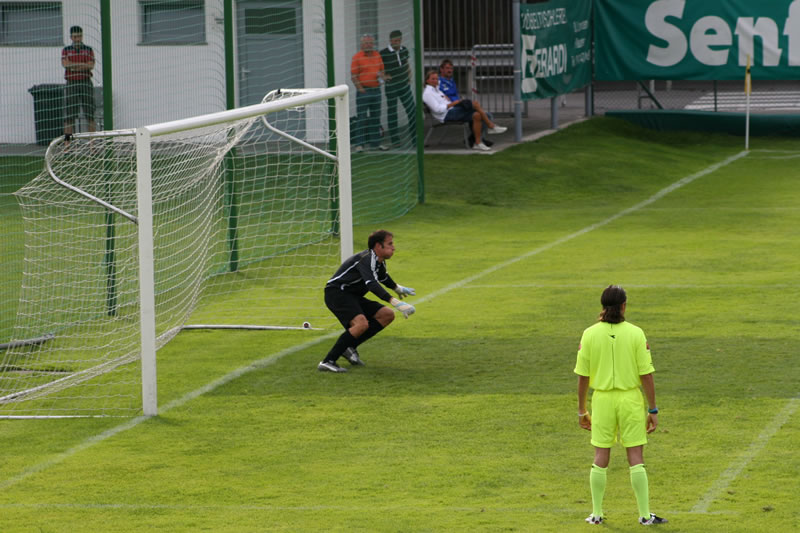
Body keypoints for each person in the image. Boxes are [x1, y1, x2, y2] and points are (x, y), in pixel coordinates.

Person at [574, 285, 668, 526]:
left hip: (603, 400)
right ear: (624, 306)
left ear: (603, 307)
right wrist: (653, 409)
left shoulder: (589, 334)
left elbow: (583, 376)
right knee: (635, 455)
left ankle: (596, 514)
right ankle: (645, 516)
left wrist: (582, 409)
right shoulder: (636, 333)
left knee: (600, 455)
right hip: (629, 400)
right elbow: (646, 374)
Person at [319, 230, 416, 373]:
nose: (393, 247)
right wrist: (395, 302)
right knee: (361, 324)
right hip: (337, 293)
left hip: (352, 296)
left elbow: (383, 278)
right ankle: (328, 361)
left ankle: (349, 347)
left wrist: (397, 288)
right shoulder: (366, 258)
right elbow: (372, 284)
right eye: (389, 244)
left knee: (386, 315)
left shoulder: (379, 262)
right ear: (378, 246)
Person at [422, 70, 504, 152]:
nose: (435, 81)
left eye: (436, 79)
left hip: (452, 110)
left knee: (477, 115)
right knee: (474, 104)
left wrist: (452, 102)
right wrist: (454, 103)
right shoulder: (427, 93)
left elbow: (444, 96)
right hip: (446, 115)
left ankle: (478, 143)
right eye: (433, 79)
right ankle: (491, 126)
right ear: (427, 80)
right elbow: (437, 109)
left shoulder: (437, 90)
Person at [438, 58, 500, 148]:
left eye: (451, 68)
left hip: (458, 106)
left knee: (485, 114)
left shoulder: (451, 81)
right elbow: (438, 95)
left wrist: (460, 100)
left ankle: (475, 139)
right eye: (447, 68)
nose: (450, 70)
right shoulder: (438, 82)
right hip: (451, 109)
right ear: (441, 69)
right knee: (481, 112)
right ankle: (485, 132)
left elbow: (455, 95)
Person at [350, 34, 387, 152]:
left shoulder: (377, 55)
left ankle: (375, 143)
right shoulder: (357, 57)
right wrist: (361, 89)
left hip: (376, 90)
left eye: (370, 43)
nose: (368, 45)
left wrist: (382, 78)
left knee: (375, 117)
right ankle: (359, 144)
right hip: (364, 92)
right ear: (361, 45)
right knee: (361, 118)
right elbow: (354, 76)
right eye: (366, 43)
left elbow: (382, 70)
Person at [379, 30, 416, 148]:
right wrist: (384, 77)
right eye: (394, 41)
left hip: (404, 84)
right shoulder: (384, 53)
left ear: (401, 40)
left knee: (411, 110)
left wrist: (409, 76)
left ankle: (415, 138)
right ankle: (395, 139)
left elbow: (407, 64)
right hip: (392, 86)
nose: (396, 43)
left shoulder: (404, 50)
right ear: (390, 41)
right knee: (392, 111)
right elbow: (379, 69)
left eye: (398, 40)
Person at [62, 25, 96, 136]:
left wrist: (74, 66)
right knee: (69, 116)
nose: (78, 39)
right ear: (71, 37)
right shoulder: (66, 50)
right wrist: (82, 65)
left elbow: (90, 65)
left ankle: (93, 144)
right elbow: (66, 65)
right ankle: (67, 145)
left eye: (80, 36)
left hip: (85, 82)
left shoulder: (88, 49)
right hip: (72, 83)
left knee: (90, 114)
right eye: (75, 37)